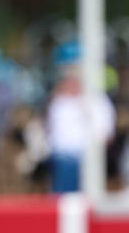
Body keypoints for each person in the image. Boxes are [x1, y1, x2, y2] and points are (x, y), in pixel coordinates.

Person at [46, 63, 115, 194]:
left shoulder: (98, 101)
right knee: (63, 197)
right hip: (63, 158)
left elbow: (106, 132)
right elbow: (54, 131)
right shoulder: (59, 102)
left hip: (88, 159)